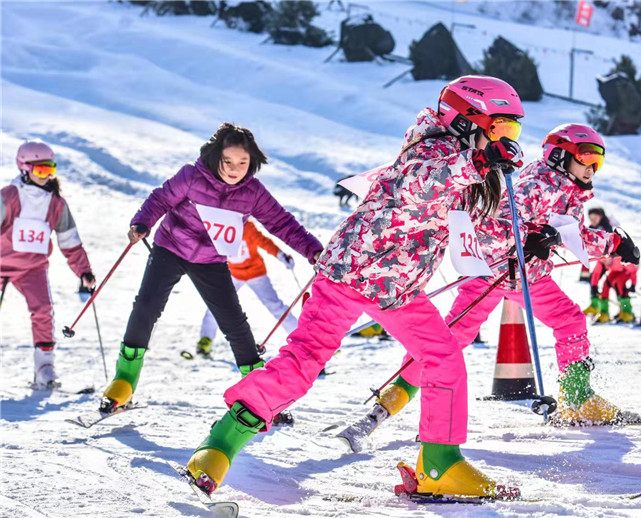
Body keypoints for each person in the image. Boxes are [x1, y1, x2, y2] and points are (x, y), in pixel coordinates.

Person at [185, 75, 527, 498]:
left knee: (439, 358)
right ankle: (221, 444)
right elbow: (419, 186)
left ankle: (439, 463)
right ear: (466, 119)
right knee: (314, 360)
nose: (507, 140)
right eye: (501, 129)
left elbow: (471, 227)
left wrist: (526, 239)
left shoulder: (464, 164)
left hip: (388, 283)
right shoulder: (433, 150)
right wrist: (477, 163)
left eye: (513, 132)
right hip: (361, 272)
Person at [338, 123, 641, 452]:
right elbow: (492, 225)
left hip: (530, 276)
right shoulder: (538, 183)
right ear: (561, 155)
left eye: (599, 161)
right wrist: (530, 238)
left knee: (571, 321)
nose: (592, 166)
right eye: (586, 156)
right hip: (493, 274)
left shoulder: (568, 190)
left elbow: (570, 234)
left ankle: (578, 399)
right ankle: (384, 408)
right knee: (449, 340)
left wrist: (613, 242)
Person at [100, 123, 323, 413]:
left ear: (251, 162)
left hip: (211, 261)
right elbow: (161, 198)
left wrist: (314, 251)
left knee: (234, 323)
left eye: (243, 162)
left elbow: (282, 223)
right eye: (228, 161)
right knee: (146, 307)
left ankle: (260, 393)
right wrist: (142, 222)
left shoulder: (253, 192)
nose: (235, 169)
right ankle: (124, 381)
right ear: (216, 156)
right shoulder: (192, 176)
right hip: (171, 247)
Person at [0, 141, 96, 389]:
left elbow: (70, 242)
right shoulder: (8, 197)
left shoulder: (56, 204)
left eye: (50, 169)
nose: (46, 176)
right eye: (40, 170)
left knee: (43, 311)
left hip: (32, 268)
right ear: (24, 168)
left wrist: (83, 271)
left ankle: (45, 367)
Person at [196, 218, 298, 358]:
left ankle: (303, 338)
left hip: (256, 274)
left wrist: (281, 255)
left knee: (275, 305)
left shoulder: (247, 227)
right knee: (217, 303)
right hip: (234, 274)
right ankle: (205, 339)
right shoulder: (219, 227)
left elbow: (264, 242)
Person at [583, 207, 615, 313]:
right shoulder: (591, 228)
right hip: (601, 260)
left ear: (600, 217)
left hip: (612, 260)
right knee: (594, 279)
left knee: (613, 282)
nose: (593, 220)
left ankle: (624, 310)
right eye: (591, 218)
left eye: (595, 217)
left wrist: (607, 256)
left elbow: (611, 244)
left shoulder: (607, 228)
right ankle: (595, 305)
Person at [592, 256, 637, 324]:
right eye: (602, 260)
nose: (604, 262)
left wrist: (633, 284)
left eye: (606, 259)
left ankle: (627, 312)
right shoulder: (601, 262)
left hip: (626, 270)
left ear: (610, 257)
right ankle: (604, 312)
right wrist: (594, 286)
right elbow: (596, 273)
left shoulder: (619, 259)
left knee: (619, 282)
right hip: (615, 270)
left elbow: (632, 269)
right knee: (606, 284)